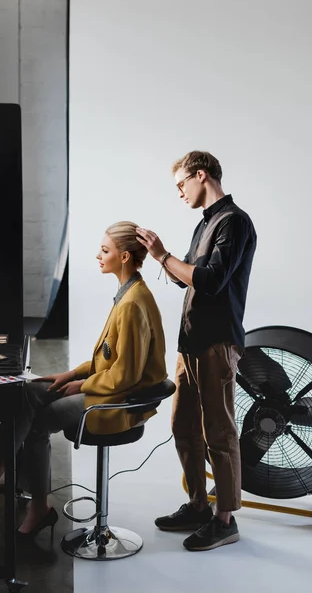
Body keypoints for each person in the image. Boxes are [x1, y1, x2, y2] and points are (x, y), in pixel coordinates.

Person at [0, 221, 167, 537]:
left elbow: (126, 375)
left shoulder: (133, 304)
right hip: (111, 388)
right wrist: (71, 374)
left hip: (122, 400)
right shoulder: (127, 294)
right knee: (28, 392)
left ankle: (39, 506)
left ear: (124, 257)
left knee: (42, 422)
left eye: (105, 250)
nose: (98, 255)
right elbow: (107, 359)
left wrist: (81, 384)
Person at [136, 150, 257, 551]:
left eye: (180, 185)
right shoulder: (204, 224)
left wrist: (162, 255)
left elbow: (208, 281)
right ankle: (197, 505)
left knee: (219, 433)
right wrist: (162, 260)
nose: (179, 193)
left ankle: (225, 520)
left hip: (217, 344)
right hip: (190, 342)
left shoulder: (234, 222)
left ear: (201, 175)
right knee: (182, 426)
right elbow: (186, 277)